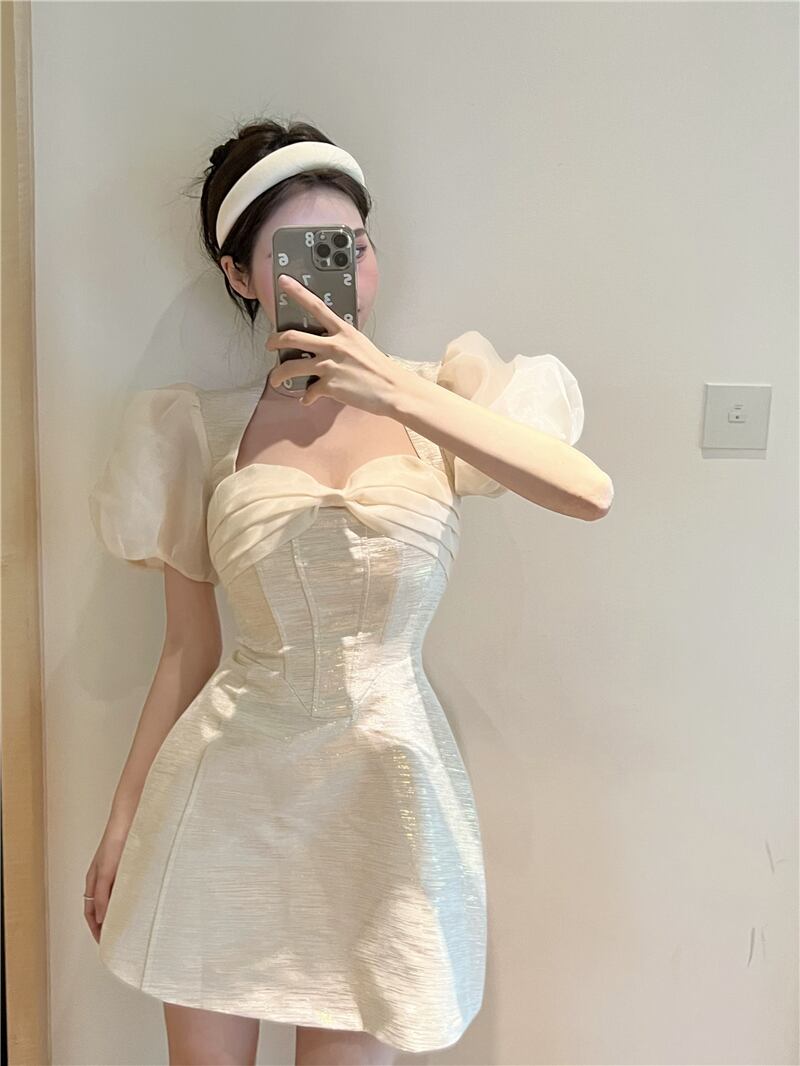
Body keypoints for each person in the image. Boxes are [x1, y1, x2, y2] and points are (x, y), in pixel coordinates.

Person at [84, 118, 612, 1066]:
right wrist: (123, 819)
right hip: (225, 801)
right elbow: (187, 652)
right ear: (242, 275)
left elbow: (588, 493)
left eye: (352, 244)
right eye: (302, 252)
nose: (341, 272)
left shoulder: (448, 400)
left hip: (384, 803)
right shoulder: (199, 431)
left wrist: (398, 393)